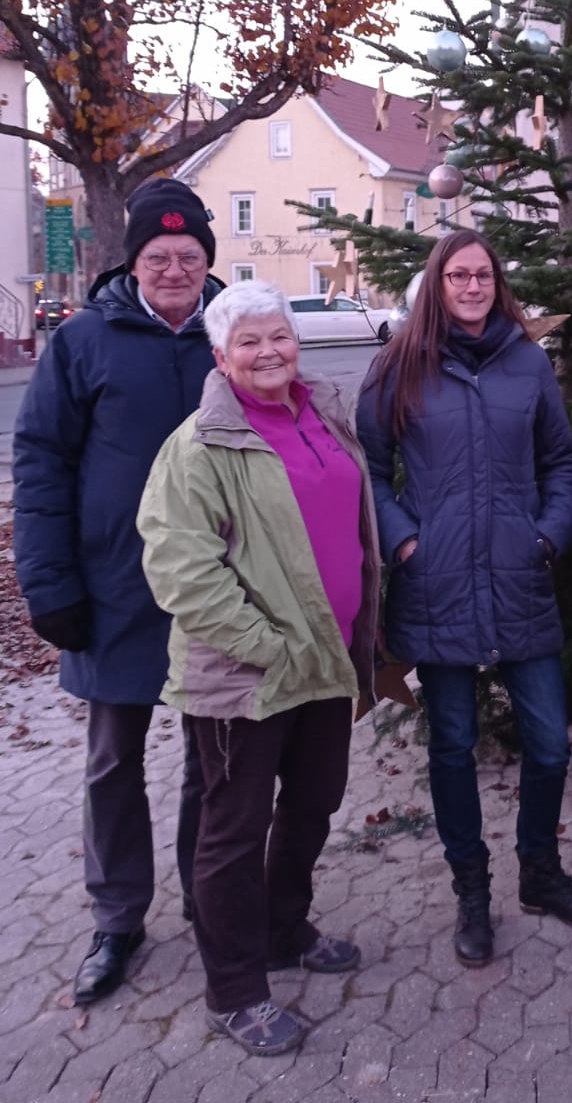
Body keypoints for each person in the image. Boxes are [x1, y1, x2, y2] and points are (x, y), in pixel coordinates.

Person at [136, 281, 381, 1057]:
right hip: (244, 677)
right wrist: (270, 645)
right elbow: (184, 573)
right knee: (234, 833)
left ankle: (284, 928)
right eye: (250, 341)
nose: (269, 351)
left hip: (327, 662)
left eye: (279, 336)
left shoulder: (323, 414)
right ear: (220, 356)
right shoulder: (200, 446)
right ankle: (235, 990)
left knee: (314, 803)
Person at [356, 229, 572, 969]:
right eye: (458, 276)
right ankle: (472, 890)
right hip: (435, 583)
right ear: (436, 285)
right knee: (453, 746)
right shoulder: (398, 365)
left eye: (484, 276)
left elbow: (559, 461)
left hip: (518, 577)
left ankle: (541, 874)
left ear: (498, 285)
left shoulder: (527, 363)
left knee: (548, 744)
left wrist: (547, 536)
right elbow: (368, 470)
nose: (472, 287)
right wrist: (406, 540)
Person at [14, 180, 218, 1004]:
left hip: (216, 592)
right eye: (159, 257)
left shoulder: (231, 334)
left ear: (209, 261)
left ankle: (214, 897)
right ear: (131, 262)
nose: (175, 270)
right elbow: (39, 462)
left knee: (217, 760)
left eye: (190, 257)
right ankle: (117, 915)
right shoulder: (86, 342)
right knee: (112, 763)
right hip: (113, 588)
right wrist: (49, 583)